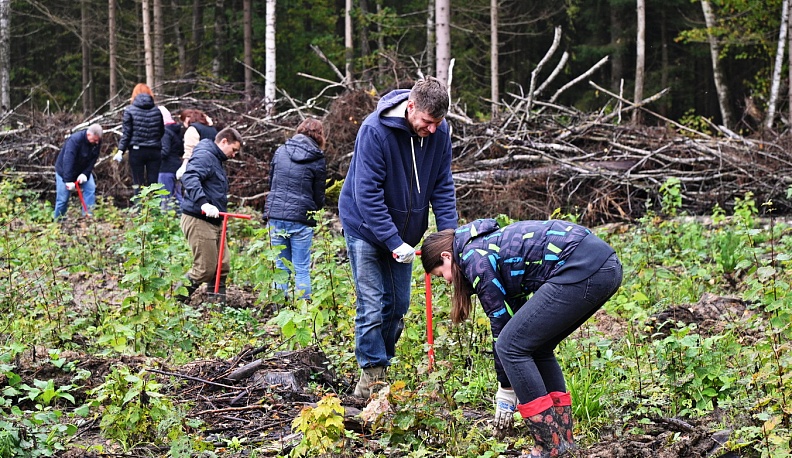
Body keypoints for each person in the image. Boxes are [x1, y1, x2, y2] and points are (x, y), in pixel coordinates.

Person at [419, 218, 623, 457]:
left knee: (510, 346)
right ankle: (563, 442)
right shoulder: (485, 245)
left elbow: (501, 325)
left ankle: (548, 447)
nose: (447, 279)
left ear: (446, 256)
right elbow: (516, 317)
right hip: (604, 266)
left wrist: (506, 389)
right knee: (536, 347)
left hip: (582, 267)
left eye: (440, 272)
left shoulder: (474, 258)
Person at [338, 76, 458, 399]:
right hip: (365, 227)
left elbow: (443, 187)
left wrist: (450, 239)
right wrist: (393, 241)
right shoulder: (375, 132)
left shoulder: (439, 133)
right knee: (373, 303)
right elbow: (367, 194)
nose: (431, 129)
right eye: (427, 121)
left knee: (398, 305)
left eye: (438, 123)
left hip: (406, 234)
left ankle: (383, 363)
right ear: (411, 106)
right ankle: (371, 379)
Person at [264, 118, 327, 301]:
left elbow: (272, 181)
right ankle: (303, 311)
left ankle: (278, 312)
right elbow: (318, 194)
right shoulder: (317, 158)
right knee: (301, 268)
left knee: (281, 266)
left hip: (275, 215)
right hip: (301, 218)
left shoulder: (280, 150)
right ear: (319, 135)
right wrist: (315, 210)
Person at [178, 127, 243, 303]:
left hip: (215, 219)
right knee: (204, 269)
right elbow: (189, 177)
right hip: (199, 218)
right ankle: (173, 303)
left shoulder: (216, 160)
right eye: (234, 149)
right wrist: (204, 203)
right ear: (224, 142)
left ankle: (217, 310)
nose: (234, 155)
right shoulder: (205, 156)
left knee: (222, 266)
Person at [114, 83, 165, 193]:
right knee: (154, 184)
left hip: (137, 150)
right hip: (155, 150)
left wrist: (120, 150)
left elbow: (127, 133)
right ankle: (154, 208)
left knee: (138, 183)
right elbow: (161, 131)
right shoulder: (157, 111)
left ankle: (140, 208)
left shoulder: (129, 110)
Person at [53, 124, 103, 220]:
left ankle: (88, 218)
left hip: (82, 170)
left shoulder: (97, 141)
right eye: (95, 140)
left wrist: (85, 173)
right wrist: (68, 180)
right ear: (88, 135)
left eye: (98, 140)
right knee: (63, 199)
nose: (97, 143)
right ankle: (58, 222)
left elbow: (93, 159)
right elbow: (68, 160)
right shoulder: (75, 140)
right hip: (65, 171)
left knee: (90, 189)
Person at [175, 108, 217, 180]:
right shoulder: (213, 130)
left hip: (198, 167)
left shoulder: (192, 129)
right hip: (213, 166)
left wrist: (183, 168)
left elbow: (190, 151)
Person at [158, 106, 183, 212]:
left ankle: (165, 225)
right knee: (177, 198)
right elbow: (181, 151)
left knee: (165, 199)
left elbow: (164, 151)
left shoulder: (164, 132)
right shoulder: (176, 131)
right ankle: (183, 222)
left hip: (166, 169)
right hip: (176, 168)